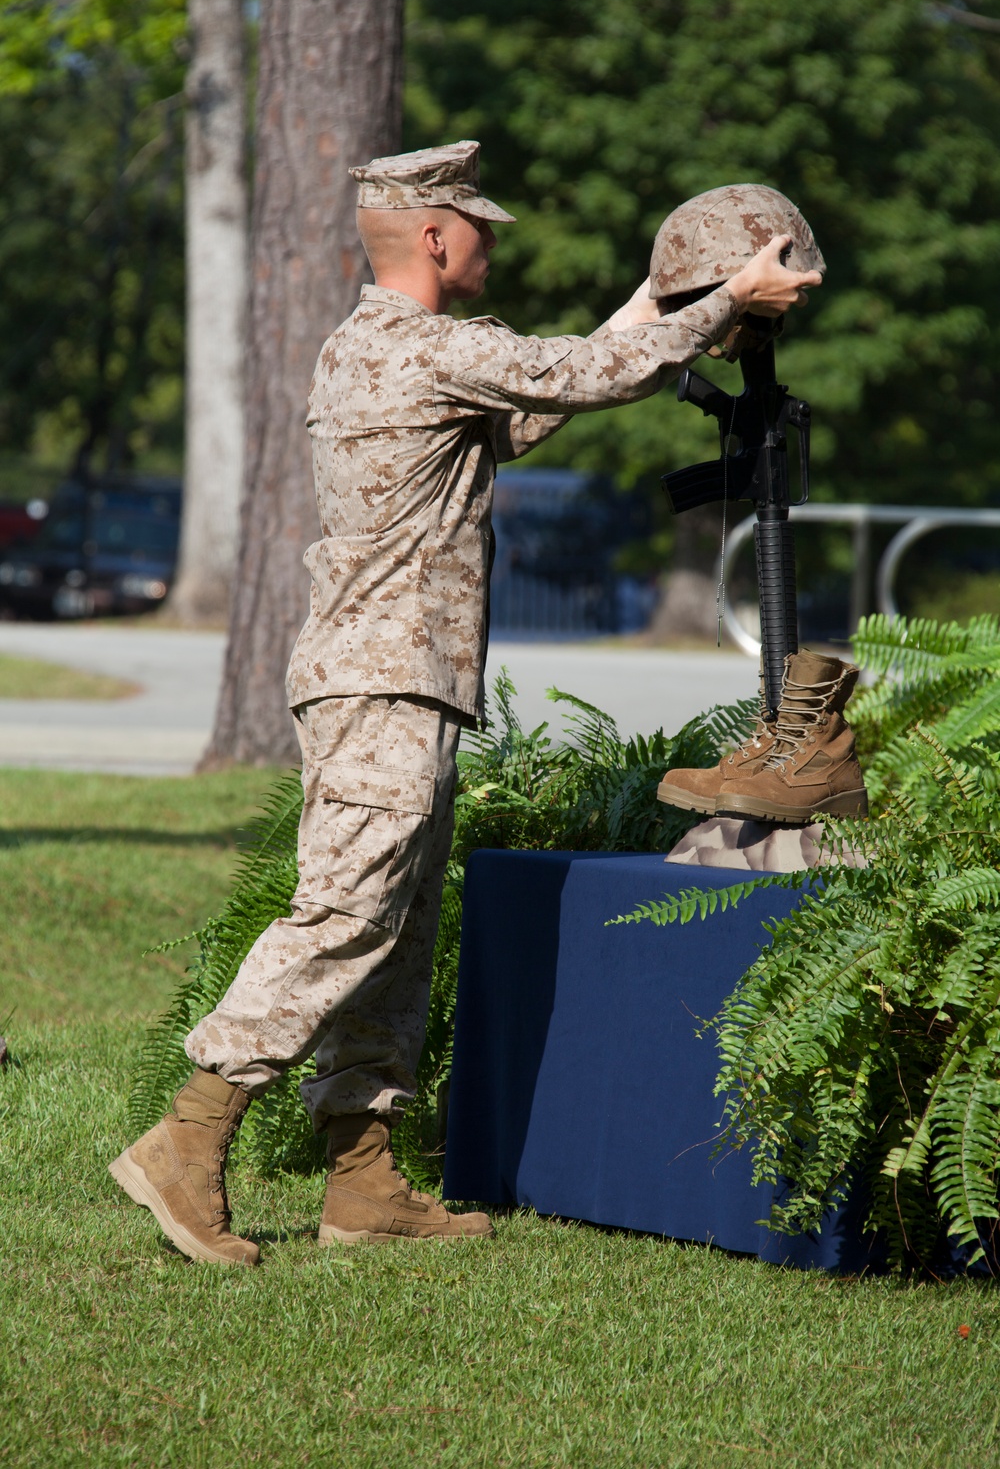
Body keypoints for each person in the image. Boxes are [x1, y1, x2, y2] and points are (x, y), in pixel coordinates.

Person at [109, 141, 822, 1265]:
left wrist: (658, 297)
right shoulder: (417, 350)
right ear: (436, 239)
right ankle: (189, 1137)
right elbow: (585, 380)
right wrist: (728, 298)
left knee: (393, 927)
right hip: (382, 676)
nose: (492, 239)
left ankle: (361, 1177)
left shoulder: (392, 352)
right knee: (346, 911)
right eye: (478, 225)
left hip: (402, 678)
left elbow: (544, 397)